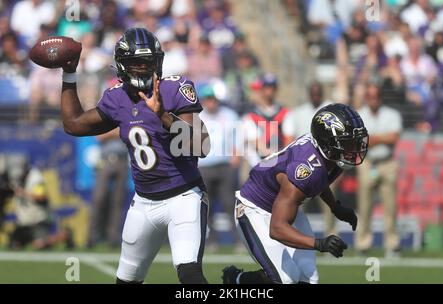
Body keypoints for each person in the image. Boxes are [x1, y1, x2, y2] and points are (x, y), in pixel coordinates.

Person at [58, 27, 210, 284]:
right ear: (121, 66)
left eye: (147, 62)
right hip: (143, 203)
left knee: (190, 275)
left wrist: (163, 116)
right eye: (135, 63)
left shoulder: (175, 89)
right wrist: (69, 74)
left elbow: (200, 145)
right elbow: (74, 124)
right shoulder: (117, 98)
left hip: (184, 197)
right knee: (126, 280)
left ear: (157, 63)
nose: (141, 68)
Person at [222, 103, 368, 284]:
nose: (354, 148)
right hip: (255, 209)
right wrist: (319, 243)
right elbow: (277, 228)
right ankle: (237, 280)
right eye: (347, 143)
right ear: (327, 142)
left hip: (284, 204)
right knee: (286, 278)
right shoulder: (305, 168)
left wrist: (335, 206)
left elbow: (320, 180)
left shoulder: (330, 156)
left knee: (309, 276)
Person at [282, 82, 337, 237]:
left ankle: (331, 235)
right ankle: (293, 235)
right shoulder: (299, 113)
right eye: (313, 93)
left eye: (318, 93)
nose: (316, 96)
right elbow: (290, 141)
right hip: (302, 166)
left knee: (330, 204)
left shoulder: (330, 111)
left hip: (326, 165)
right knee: (296, 203)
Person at [356, 84, 402, 256]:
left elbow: (394, 137)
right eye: (371, 96)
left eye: (376, 96)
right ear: (367, 98)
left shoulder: (392, 114)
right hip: (368, 163)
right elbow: (360, 141)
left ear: (380, 97)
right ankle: (363, 244)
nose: (374, 100)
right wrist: (382, 138)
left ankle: (392, 244)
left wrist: (373, 138)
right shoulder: (360, 115)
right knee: (364, 206)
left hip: (387, 162)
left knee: (390, 206)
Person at [197, 85, 240, 250]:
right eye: (207, 99)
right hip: (204, 166)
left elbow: (238, 136)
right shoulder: (197, 117)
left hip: (225, 165)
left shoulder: (229, 115)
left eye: (213, 99)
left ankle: (238, 240)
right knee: (207, 205)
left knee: (230, 203)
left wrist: (236, 156)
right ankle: (211, 239)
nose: (210, 102)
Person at [88, 128, 129, 248]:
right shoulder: (107, 115)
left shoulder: (125, 115)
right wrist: (117, 132)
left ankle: (113, 238)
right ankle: (92, 237)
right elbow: (99, 136)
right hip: (105, 161)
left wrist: (113, 133)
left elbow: (129, 134)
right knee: (99, 199)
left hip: (122, 161)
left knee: (118, 201)